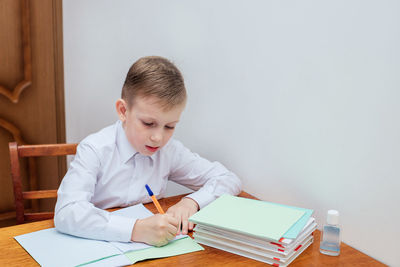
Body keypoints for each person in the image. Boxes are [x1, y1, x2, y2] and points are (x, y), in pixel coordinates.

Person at [54, 56, 242, 246]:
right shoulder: (95, 149)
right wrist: (135, 229)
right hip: (96, 246)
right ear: (123, 111)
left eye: (169, 126)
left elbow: (228, 179)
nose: (158, 138)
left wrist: (192, 202)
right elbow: (67, 212)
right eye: (148, 123)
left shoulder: (169, 151)